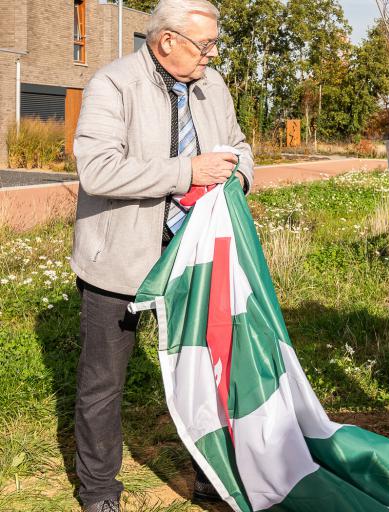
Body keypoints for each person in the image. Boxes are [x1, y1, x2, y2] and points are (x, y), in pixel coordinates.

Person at [71, 0, 254, 510]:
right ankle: (99, 490)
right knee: (103, 384)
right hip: (119, 260)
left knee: (206, 374)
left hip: (196, 254)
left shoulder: (212, 85)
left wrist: (237, 175)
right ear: (167, 40)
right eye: (205, 44)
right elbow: (99, 171)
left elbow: (239, 145)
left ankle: (209, 477)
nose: (212, 55)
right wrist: (186, 172)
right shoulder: (112, 84)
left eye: (215, 43)